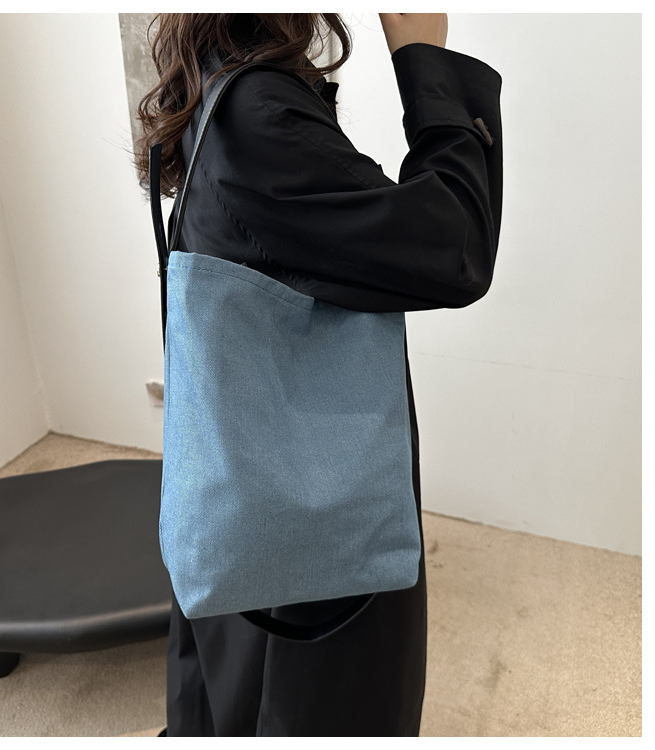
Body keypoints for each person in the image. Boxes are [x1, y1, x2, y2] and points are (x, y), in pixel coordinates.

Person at [136, 12, 502, 737]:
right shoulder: (260, 112)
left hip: (248, 479)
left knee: (240, 685)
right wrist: (424, 59)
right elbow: (454, 246)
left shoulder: (217, 76)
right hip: (306, 531)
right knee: (320, 699)